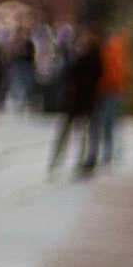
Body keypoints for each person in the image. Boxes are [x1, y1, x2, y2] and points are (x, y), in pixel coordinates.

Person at [47, 24, 103, 178]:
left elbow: (68, 73)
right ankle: (78, 162)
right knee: (82, 133)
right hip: (87, 101)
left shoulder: (83, 58)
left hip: (75, 100)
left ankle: (56, 162)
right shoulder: (97, 58)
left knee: (66, 133)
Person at [92, 16, 132, 169]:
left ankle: (108, 152)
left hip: (111, 91)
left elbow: (118, 72)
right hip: (105, 90)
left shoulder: (114, 49)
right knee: (102, 124)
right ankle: (102, 152)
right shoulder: (110, 49)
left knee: (109, 123)